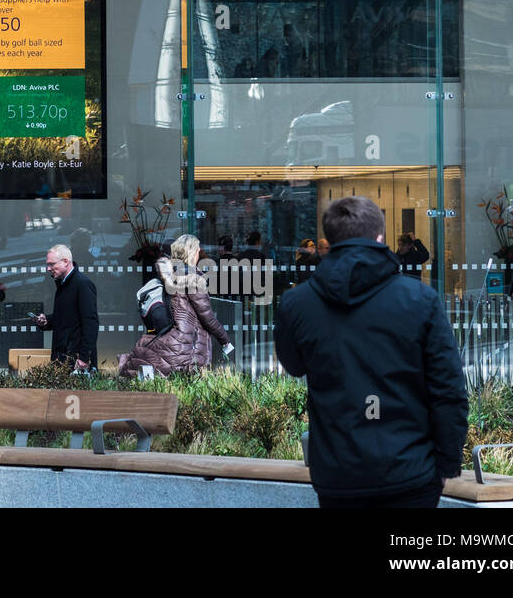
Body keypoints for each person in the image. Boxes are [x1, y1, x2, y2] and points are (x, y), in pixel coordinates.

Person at [274, 196, 468, 509]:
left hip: (338, 473)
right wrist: (447, 465)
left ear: (331, 239)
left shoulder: (297, 303)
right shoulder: (420, 299)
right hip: (410, 471)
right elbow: (449, 391)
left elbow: (294, 366)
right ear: (379, 237)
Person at [118, 234, 233, 378]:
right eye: (197, 250)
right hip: (186, 347)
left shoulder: (169, 274)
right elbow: (207, 318)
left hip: (171, 342)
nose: (199, 253)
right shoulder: (192, 280)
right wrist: (225, 341)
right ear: (192, 253)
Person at [34, 240, 98, 371]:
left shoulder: (82, 284)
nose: (48, 268)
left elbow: (91, 322)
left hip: (75, 359)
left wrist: (84, 357)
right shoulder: (64, 283)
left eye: (51, 264)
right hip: (65, 356)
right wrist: (47, 321)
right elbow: (66, 317)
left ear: (65, 261)